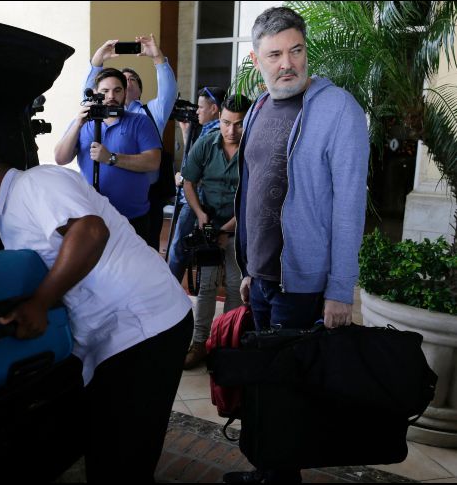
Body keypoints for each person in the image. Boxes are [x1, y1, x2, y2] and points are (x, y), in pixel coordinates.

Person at [0, 151, 192, 483]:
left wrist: (40, 302)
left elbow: (91, 232)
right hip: (115, 337)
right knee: (110, 454)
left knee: (120, 467)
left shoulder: (34, 183)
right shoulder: (14, 214)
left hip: (142, 325)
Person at [224, 7, 369, 484]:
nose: (288, 63)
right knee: (267, 388)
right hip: (263, 277)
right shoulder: (262, 106)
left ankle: (280, 478)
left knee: (288, 394)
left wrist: (340, 289)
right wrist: (249, 266)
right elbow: (254, 191)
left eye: (296, 50)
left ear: (306, 50)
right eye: (275, 54)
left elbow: (349, 207)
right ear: (256, 60)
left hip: (304, 283)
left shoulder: (338, 110)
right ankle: (270, 471)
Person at [82, 35, 178, 250]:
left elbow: (169, 92)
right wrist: (98, 61)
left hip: (147, 198)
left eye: (130, 79)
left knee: (145, 250)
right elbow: (89, 93)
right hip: (105, 203)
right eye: (116, 83)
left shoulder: (151, 112)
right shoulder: (100, 113)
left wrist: (158, 58)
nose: (123, 82)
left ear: (134, 90)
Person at [178, 94, 251, 370]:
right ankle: (199, 344)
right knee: (206, 286)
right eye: (226, 123)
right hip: (209, 222)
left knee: (235, 285)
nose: (231, 131)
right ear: (219, 118)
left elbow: (253, 198)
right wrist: (199, 215)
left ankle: (225, 344)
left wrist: (227, 230)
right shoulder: (206, 143)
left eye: (239, 124)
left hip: (240, 225)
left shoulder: (253, 149)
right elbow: (188, 182)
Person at [55, 68, 161, 241]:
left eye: (117, 90)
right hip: (92, 214)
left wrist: (111, 158)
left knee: (133, 266)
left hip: (133, 217)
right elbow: (60, 158)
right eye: (105, 91)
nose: (111, 96)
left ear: (125, 92)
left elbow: (153, 162)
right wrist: (77, 124)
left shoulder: (140, 122)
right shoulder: (84, 124)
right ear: (96, 93)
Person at [166, 86, 226, 280]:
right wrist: (186, 133)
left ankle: (171, 287)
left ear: (214, 109)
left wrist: (184, 178)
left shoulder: (216, 133)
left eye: (201, 107)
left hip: (197, 199)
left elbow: (205, 170)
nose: (197, 111)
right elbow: (194, 160)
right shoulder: (208, 129)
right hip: (196, 196)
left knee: (178, 246)